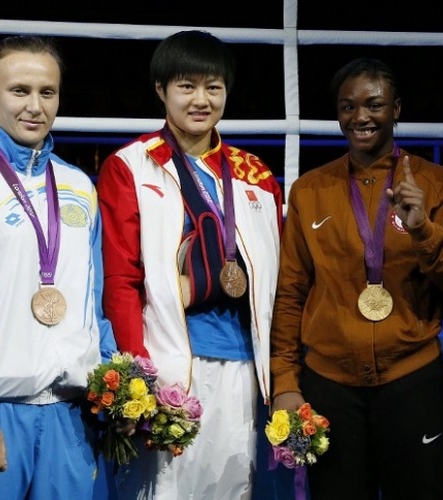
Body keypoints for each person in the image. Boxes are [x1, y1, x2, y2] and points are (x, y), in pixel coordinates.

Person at [270, 57, 443, 500]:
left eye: (374, 105)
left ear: (396, 109)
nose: (360, 117)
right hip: (329, 388)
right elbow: (290, 293)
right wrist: (285, 383)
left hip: (413, 382)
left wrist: (423, 230)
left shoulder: (437, 183)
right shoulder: (309, 190)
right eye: (348, 107)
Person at [96, 30, 283, 499]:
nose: (201, 100)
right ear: (161, 90)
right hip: (167, 367)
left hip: (244, 367)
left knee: (232, 490)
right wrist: (137, 376)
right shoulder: (130, 165)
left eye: (213, 87)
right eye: (186, 86)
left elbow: (275, 282)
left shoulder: (257, 175)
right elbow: (121, 279)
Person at [0, 35, 117, 499]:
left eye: (47, 92)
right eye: (20, 90)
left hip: (73, 420)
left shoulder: (80, 186)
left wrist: (114, 389)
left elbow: (93, 304)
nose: (35, 106)